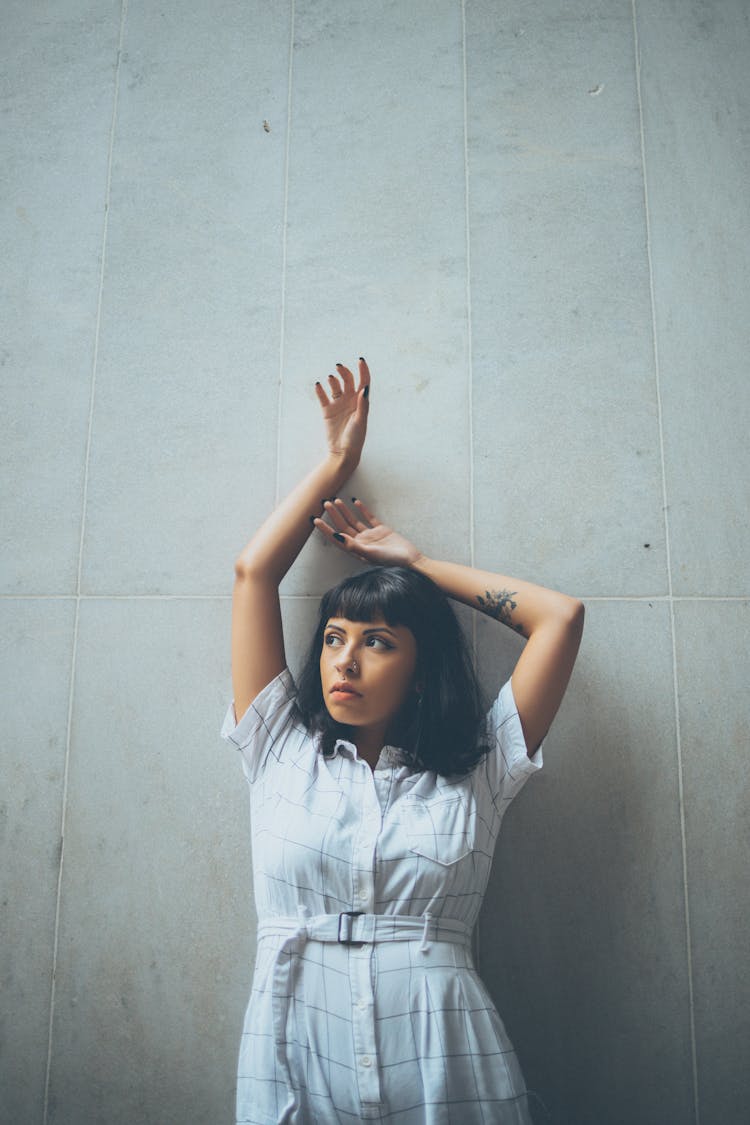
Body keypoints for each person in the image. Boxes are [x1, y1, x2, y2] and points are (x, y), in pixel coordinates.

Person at [220, 358, 584, 1124]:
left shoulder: (477, 768)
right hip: (294, 1054)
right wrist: (334, 466)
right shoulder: (279, 746)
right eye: (334, 638)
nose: (344, 659)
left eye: (379, 641)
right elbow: (254, 574)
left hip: (446, 1062)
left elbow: (558, 616)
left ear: (421, 669)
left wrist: (415, 563)